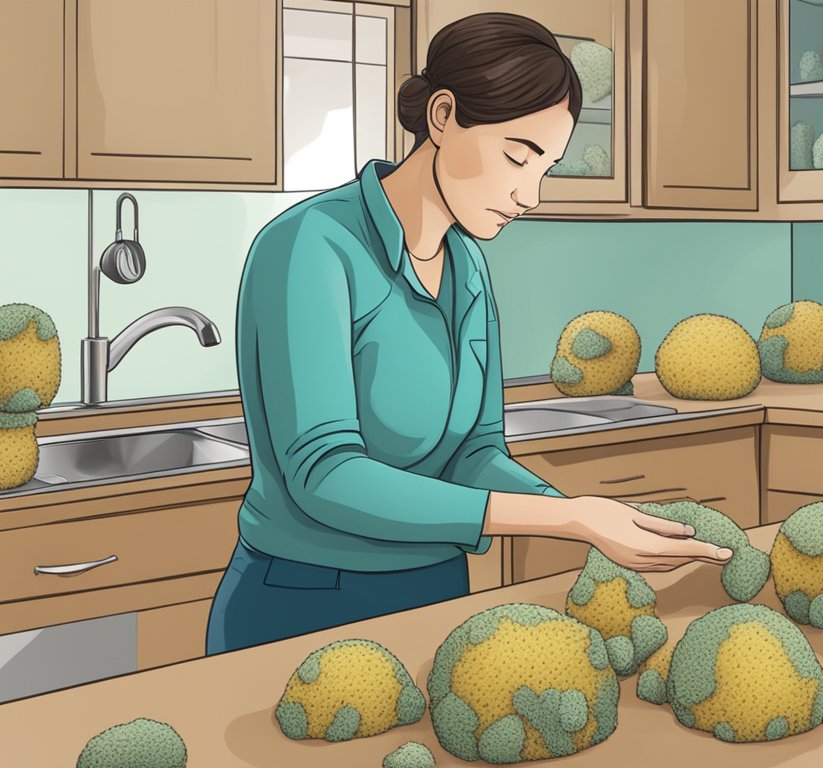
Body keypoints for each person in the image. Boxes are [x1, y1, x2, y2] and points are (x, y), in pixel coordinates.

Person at [205, 13, 730, 655]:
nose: (531, 195)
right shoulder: (309, 247)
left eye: (548, 168)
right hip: (304, 602)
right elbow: (325, 475)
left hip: (436, 591)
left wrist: (591, 517)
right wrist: (568, 517)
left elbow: (475, 453)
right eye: (518, 155)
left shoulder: (467, 266)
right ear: (444, 116)